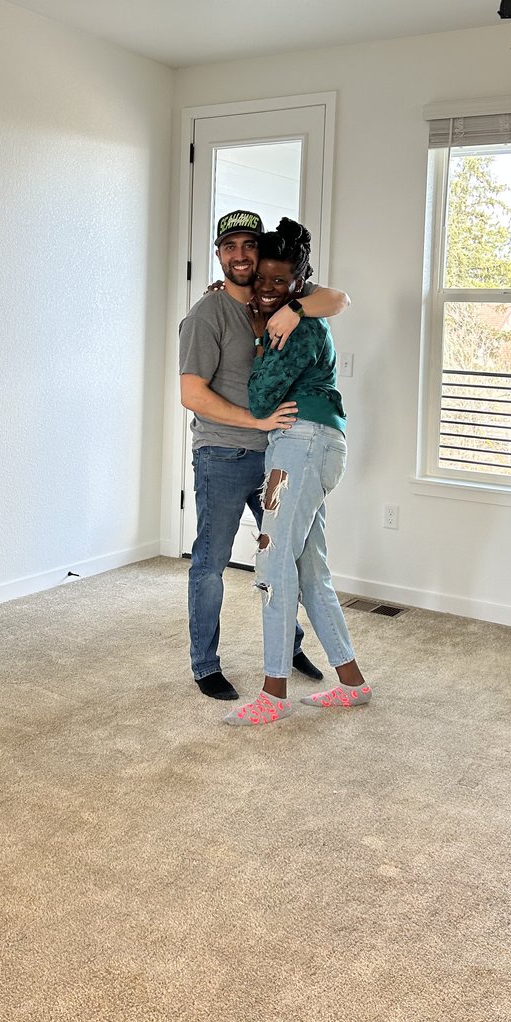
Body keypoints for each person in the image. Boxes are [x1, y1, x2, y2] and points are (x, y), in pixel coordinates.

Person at [179, 210, 351, 700]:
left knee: (291, 556)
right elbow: (191, 394)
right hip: (225, 453)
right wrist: (255, 421)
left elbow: (340, 298)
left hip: (282, 453)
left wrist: (297, 310)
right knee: (211, 561)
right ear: (218, 254)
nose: (239, 255)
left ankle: (289, 645)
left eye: (246, 246)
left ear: (259, 255)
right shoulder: (208, 313)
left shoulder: (280, 302)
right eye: (228, 246)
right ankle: (205, 663)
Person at [222, 218, 371, 728]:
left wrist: (264, 336)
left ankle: (273, 693)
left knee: (271, 562)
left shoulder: (299, 326)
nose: (266, 289)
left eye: (278, 282)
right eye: (260, 278)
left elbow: (261, 398)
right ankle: (352, 683)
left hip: (300, 446)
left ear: (298, 284)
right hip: (314, 445)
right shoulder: (297, 315)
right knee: (310, 569)